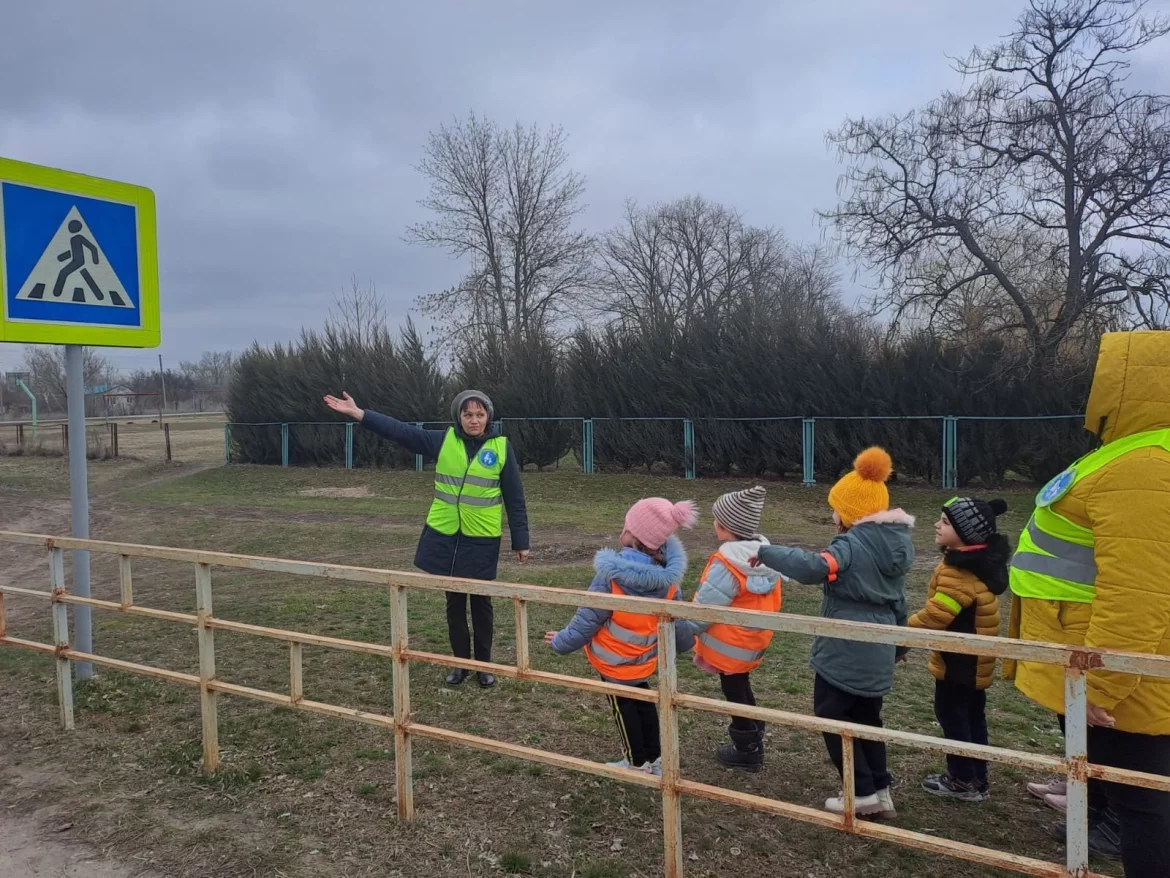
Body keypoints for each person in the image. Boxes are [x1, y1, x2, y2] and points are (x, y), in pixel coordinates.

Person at [1005, 330, 1170, 875]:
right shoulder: (1137, 457)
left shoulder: (1144, 467)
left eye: (1104, 377)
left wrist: (1101, 681)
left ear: (1131, 384)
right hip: (1116, 674)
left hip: (1123, 686)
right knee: (1135, 798)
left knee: (1143, 806)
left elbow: (1140, 590)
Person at [323, 389, 530, 689]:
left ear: (488, 417)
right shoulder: (443, 440)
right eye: (468, 414)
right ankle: (460, 664)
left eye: (480, 415)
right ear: (458, 416)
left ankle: (484, 666)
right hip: (446, 537)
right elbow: (401, 432)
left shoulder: (501, 447)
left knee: (481, 604)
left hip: (482, 540)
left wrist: (521, 540)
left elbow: (515, 497)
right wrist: (361, 415)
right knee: (454, 603)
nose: (474, 420)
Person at [751, 447, 913, 818]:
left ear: (852, 513)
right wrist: (900, 645)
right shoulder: (893, 546)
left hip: (846, 646)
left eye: (837, 508)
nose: (832, 514)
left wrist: (768, 551)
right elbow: (899, 602)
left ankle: (861, 791)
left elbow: (812, 568)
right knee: (868, 719)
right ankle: (880, 788)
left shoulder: (852, 545)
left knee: (831, 715)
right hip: (879, 646)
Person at [544, 498, 697, 775]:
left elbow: (587, 620)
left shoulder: (610, 577)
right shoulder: (669, 582)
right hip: (643, 663)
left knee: (624, 709)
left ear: (633, 536)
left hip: (613, 665)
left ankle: (636, 762)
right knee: (644, 703)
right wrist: (689, 642)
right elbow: (681, 626)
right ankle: (657, 758)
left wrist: (560, 642)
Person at [910, 496, 1010, 803]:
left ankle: (963, 779)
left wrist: (900, 633)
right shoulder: (980, 564)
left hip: (959, 661)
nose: (936, 525)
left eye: (945, 522)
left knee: (953, 715)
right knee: (972, 717)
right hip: (975, 659)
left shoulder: (959, 571)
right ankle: (977, 777)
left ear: (966, 533)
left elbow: (937, 616)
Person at [688, 485, 784, 772]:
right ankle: (753, 732)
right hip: (752, 641)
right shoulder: (766, 558)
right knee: (741, 686)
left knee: (734, 691)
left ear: (726, 526)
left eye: (716, 519)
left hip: (728, 644)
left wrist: (683, 629)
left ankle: (747, 747)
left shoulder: (727, 563)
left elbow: (706, 608)